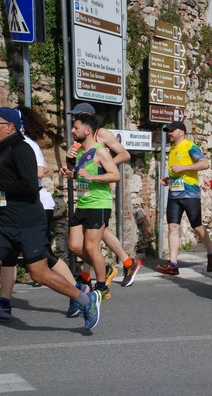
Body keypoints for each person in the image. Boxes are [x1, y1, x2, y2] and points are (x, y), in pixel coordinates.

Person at [0, 107, 101, 346]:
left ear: (9, 127)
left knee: (40, 273)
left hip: (29, 222)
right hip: (7, 222)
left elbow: (29, 187)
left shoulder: (23, 149)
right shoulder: (3, 150)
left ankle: (85, 300)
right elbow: (6, 190)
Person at [0, 106, 90, 320]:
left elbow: (36, 175)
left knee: (44, 258)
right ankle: (4, 302)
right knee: (8, 256)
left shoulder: (26, 146)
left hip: (36, 206)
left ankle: (78, 291)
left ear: (12, 125)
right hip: (14, 209)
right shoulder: (9, 147)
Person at [66, 103, 142, 288]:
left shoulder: (102, 134)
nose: (73, 120)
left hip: (100, 189)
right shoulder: (79, 139)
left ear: (87, 119)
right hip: (86, 194)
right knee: (91, 237)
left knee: (94, 237)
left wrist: (101, 167)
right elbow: (76, 167)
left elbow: (124, 154)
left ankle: (111, 268)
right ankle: (116, 265)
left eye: (77, 116)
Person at [60, 113, 121, 299]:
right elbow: (81, 176)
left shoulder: (100, 151)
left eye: (76, 127)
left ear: (87, 131)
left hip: (98, 204)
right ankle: (105, 268)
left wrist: (92, 177)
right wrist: (70, 174)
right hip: (83, 204)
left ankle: (102, 287)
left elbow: (115, 175)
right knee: (75, 246)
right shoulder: (79, 153)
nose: (72, 130)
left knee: (91, 248)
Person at [156, 121, 212, 275]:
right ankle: (173, 264)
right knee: (172, 227)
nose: (169, 133)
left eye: (172, 130)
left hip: (190, 194)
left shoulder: (190, 146)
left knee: (197, 227)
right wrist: (168, 180)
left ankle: (211, 253)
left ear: (182, 132)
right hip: (174, 194)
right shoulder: (172, 150)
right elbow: (177, 173)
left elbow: (204, 164)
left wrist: (184, 167)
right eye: (168, 131)